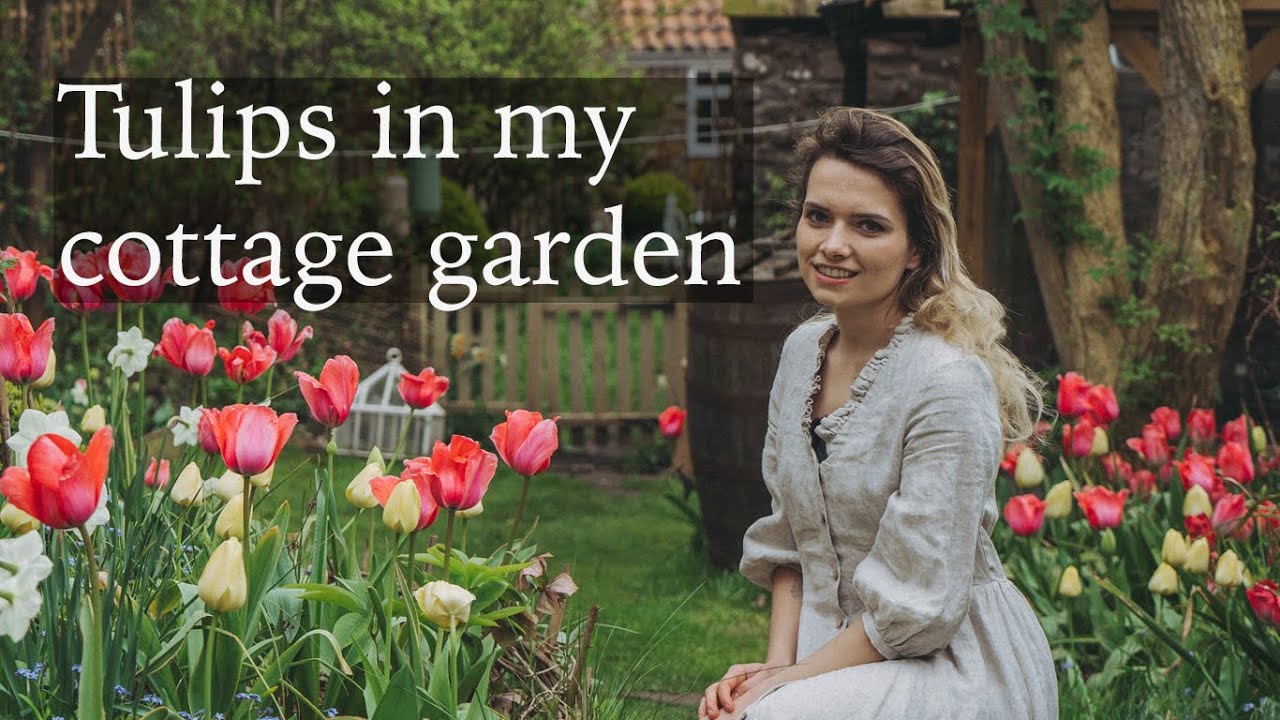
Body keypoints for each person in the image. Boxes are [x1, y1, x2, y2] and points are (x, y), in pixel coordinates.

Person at [697, 107, 1058, 720]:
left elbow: (921, 604)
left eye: (868, 225)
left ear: (916, 249)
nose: (833, 245)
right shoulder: (801, 353)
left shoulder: (946, 381)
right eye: (818, 216)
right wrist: (774, 669)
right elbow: (790, 540)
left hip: (952, 663)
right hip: (832, 653)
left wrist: (786, 687)